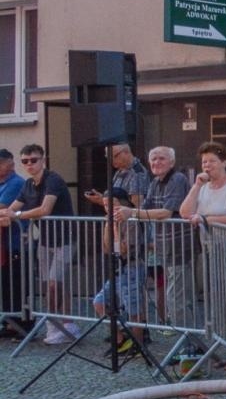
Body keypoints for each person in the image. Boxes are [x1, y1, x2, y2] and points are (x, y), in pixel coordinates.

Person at [4, 145, 78, 344]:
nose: (29, 164)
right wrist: (7, 215)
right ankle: (66, 324)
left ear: (43, 159)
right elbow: (10, 209)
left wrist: (16, 215)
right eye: (25, 161)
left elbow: (45, 209)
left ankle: (57, 325)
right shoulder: (28, 184)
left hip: (65, 238)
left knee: (54, 283)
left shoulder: (53, 179)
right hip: (45, 241)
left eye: (33, 160)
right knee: (50, 285)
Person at [119, 146, 193, 330]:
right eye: (153, 159)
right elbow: (144, 208)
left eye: (161, 158)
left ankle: (190, 346)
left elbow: (166, 212)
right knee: (172, 297)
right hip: (163, 248)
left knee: (178, 299)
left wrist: (132, 212)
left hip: (179, 246)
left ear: (172, 162)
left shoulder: (177, 179)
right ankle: (185, 343)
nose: (156, 163)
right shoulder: (154, 182)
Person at [85, 142, 150, 350]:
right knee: (101, 301)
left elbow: (136, 206)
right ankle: (123, 336)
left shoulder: (138, 173)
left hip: (131, 253)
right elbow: (107, 248)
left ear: (126, 153)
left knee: (133, 303)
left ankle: (138, 340)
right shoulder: (119, 174)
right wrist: (105, 209)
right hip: (118, 260)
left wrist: (114, 216)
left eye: (113, 157)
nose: (111, 162)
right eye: (108, 158)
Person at [178, 141, 226, 229]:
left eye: (212, 161)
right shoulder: (202, 187)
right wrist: (197, 186)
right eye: (204, 162)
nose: (207, 165)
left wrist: (207, 220)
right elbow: (185, 214)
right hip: (208, 242)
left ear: (224, 163)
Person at [0, 149, 25, 338]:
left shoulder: (16, 183)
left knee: (15, 283)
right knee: (6, 283)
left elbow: (3, 207)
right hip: (4, 243)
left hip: (15, 242)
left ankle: (20, 323)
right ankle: (9, 321)